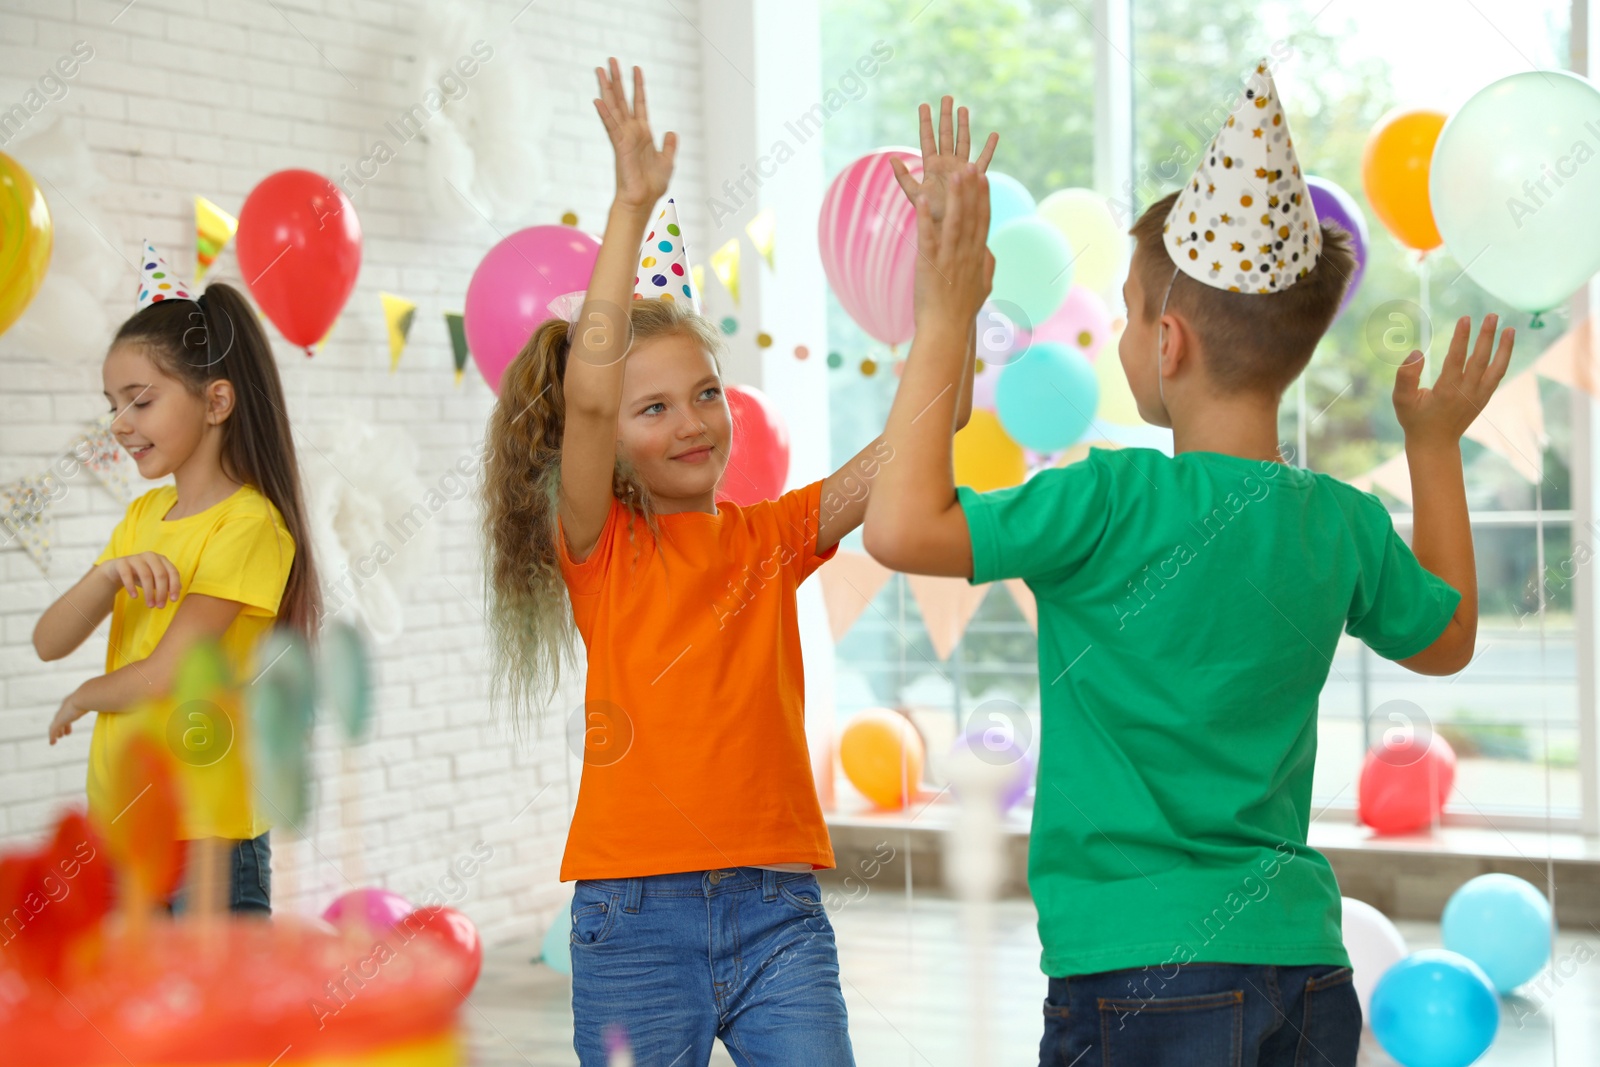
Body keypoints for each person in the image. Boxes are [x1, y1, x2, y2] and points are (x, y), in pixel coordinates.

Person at [862, 60, 1511, 1066]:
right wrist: (1431, 445)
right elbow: (1449, 637)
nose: (1121, 335)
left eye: (1126, 313)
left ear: (1165, 343)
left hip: (1132, 976)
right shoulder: (1336, 523)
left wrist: (945, 310)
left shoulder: (1104, 500)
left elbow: (899, 530)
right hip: (1300, 967)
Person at [480, 60, 994, 1067]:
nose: (692, 422)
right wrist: (631, 205)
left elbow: (936, 423)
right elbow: (585, 395)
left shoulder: (772, 536)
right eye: (654, 407)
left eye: (706, 393)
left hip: (776, 909)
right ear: (610, 434)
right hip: (633, 917)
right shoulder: (597, 548)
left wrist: (951, 292)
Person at [33, 246, 318, 915]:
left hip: (208, 836)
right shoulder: (142, 517)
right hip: (127, 825)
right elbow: (49, 639)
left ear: (216, 400)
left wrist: (84, 695)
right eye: (113, 404)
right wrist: (105, 577)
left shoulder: (250, 526)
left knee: (215, 1020)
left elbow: (167, 670)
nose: (120, 423)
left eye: (140, 400)